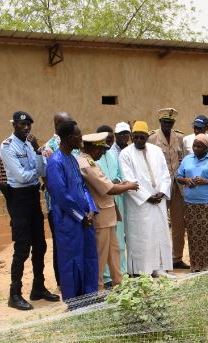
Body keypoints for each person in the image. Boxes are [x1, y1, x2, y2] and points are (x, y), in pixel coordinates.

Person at [0, 111, 59, 311]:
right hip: (19, 199)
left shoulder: (29, 145)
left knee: (40, 245)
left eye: (28, 125)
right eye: (21, 124)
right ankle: (14, 294)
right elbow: (22, 176)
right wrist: (36, 173)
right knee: (22, 248)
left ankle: (38, 287)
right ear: (14, 125)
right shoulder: (7, 146)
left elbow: (42, 171)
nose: (26, 128)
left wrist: (38, 151)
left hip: (33, 196)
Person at [45, 121, 98, 300]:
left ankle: (89, 297)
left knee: (88, 257)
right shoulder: (55, 162)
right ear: (69, 138)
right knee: (72, 262)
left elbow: (83, 187)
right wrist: (80, 216)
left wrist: (91, 210)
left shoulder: (73, 159)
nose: (81, 139)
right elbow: (61, 195)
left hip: (85, 220)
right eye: (78, 136)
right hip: (68, 222)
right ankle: (74, 302)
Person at [78, 132, 138, 288]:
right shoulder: (86, 164)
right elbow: (108, 188)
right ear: (93, 148)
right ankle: (97, 288)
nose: (103, 153)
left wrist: (120, 184)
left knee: (114, 251)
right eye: (101, 150)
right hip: (100, 215)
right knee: (100, 255)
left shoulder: (90, 161)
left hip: (107, 213)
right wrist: (128, 186)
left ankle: (119, 283)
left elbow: (106, 184)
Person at [119, 121, 173, 276]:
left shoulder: (156, 151)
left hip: (159, 201)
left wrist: (162, 192)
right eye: (135, 137)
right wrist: (147, 197)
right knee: (142, 236)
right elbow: (128, 179)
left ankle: (158, 268)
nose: (138, 140)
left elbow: (165, 174)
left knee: (159, 234)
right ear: (131, 136)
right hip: (139, 204)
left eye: (141, 137)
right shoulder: (125, 154)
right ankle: (141, 271)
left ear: (147, 137)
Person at [176, 134, 208, 272]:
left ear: (207, 148)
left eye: (199, 146)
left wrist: (205, 181)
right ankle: (196, 266)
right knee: (194, 235)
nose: (196, 148)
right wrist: (186, 180)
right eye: (194, 146)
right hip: (191, 204)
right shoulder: (187, 159)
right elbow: (179, 177)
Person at [148, 107, 189, 269]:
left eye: (170, 122)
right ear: (160, 121)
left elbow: (184, 160)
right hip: (160, 187)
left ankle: (176, 258)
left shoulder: (180, 137)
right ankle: (159, 259)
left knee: (179, 224)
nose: (168, 124)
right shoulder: (152, 138)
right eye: (165, 122)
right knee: (159, 222)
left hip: (178, 186)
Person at [40, 111, 74, 288]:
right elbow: (50, 181)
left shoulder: (74, 145)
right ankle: (62, 282)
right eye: (67, 123)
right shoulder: (48, 148)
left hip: (75, 205)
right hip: (58, 207)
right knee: (61, 244)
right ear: (57, 125)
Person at [98, 122, 131, 283]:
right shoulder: (94, 158)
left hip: (117, 197)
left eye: (110, 140)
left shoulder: (112, 155)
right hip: (103, 200)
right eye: (107, 140)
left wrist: (117, 180)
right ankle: (106, 277)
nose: (109, 143)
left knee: (119, 239)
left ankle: (121, 273)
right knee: (104, 242)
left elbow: (118, 173)